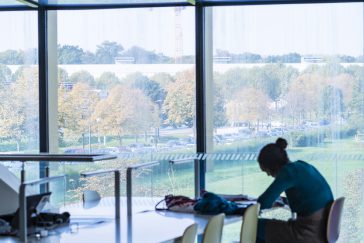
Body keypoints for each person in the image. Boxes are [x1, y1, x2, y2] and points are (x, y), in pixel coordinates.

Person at [256, 138, 334, 243]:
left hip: (307, 233)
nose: (268, 175)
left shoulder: (288, 172)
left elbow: (263, 202)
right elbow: (309, 197)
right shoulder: (302, 165)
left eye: (266, 171)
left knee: (254, 226)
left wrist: (243, 208)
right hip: (323, 231)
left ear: (272, 166)